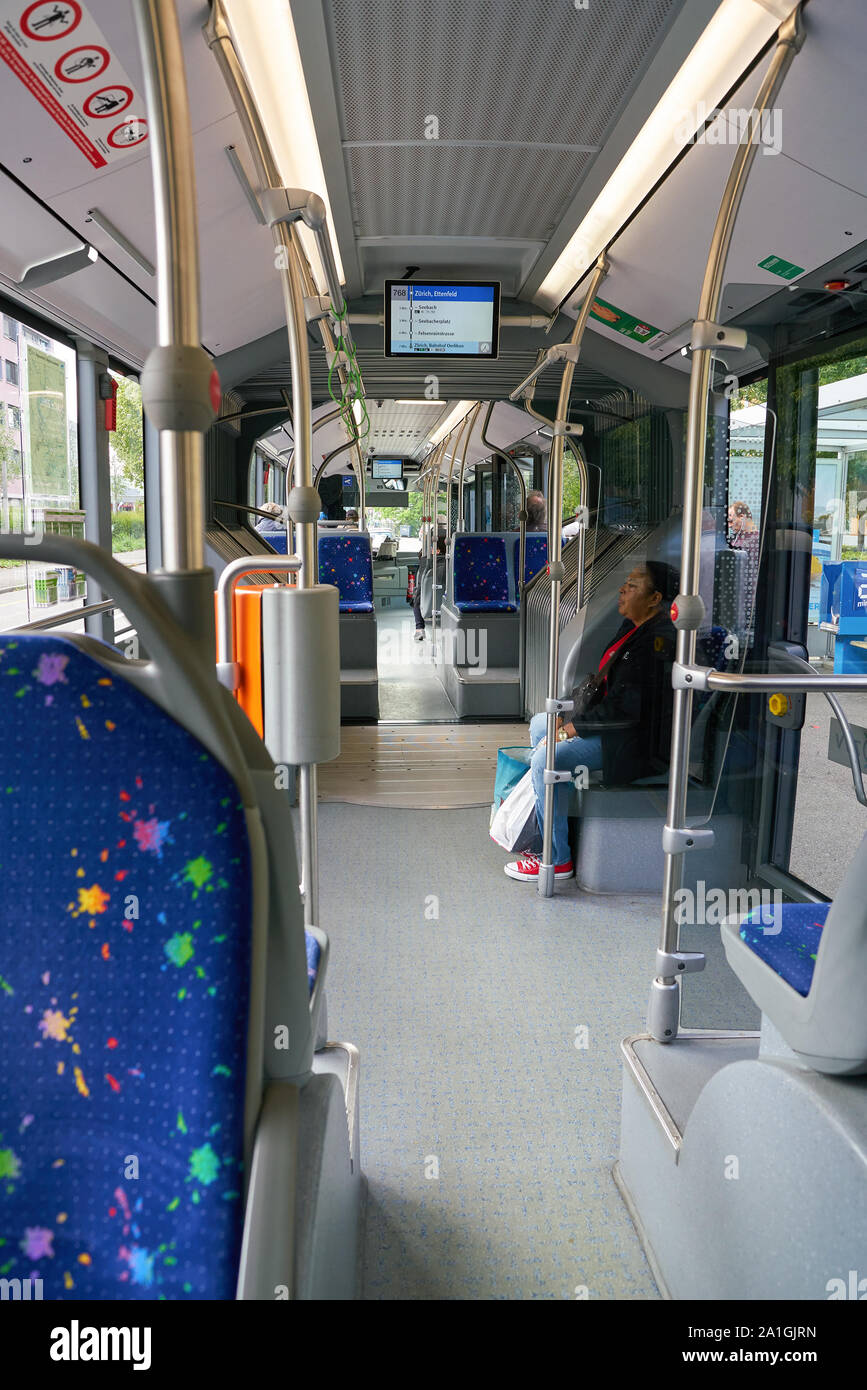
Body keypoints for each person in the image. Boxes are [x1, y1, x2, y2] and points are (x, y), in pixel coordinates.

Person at [504, 561, 677, 882]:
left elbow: (627, 711)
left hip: (636, 741)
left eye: (634, 585)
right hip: (614, 725)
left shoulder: (658, 642)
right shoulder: (633, 626)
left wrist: (570, 729)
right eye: (625, 582)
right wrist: (562, 718)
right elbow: (603, 686)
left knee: (545, 758)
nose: (623, 590)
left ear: (655, 598)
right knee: (541, 725)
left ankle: (556, 858)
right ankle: (551, 821)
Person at [413, 533, 446, 639]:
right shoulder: (451, 563)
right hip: (446, 596)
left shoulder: (427, 565)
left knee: (417, 597)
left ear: (437, 551)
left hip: (427, 597)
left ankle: (419, 628)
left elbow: (420, 585)